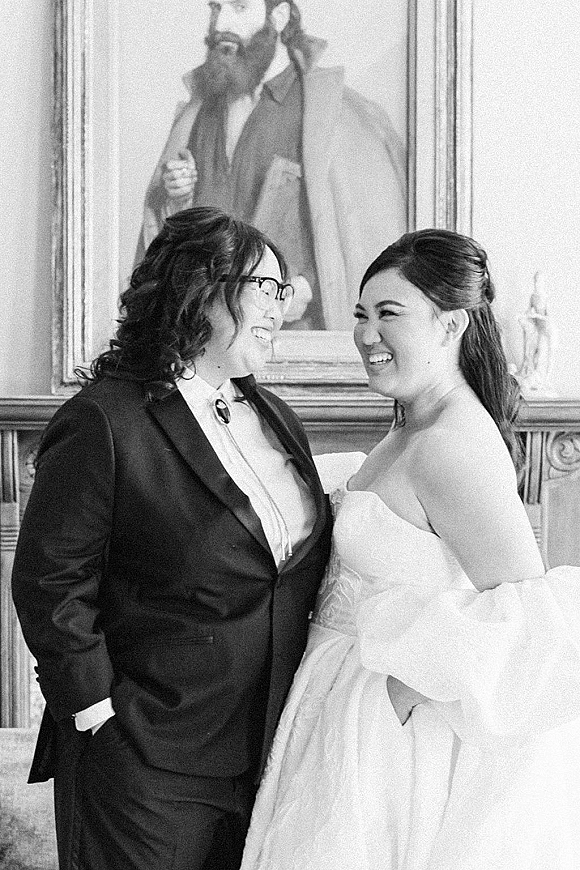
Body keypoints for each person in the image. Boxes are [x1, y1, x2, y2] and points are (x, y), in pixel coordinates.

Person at [241, 229, 580, 870]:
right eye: (361, 316)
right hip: (337, 704)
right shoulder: (410, 425)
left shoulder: (454, 441)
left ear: (451, 323)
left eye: (389, 314)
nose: (368, 335)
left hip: (387, 736)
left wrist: (403, 690)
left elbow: (535, 614)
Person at [11, 207, 332, 870]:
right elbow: (50, 582)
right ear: (200, 290)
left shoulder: (275, 416)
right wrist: (98, 716)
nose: (281, 308)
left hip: (265, 756)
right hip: (146, 764)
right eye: (263, 289)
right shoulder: (105, 418)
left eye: (283, 291)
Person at [136, 0, 406, 330]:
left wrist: (309, 287)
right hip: (206, 335)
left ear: (277, 16)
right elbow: (175, 236)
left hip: (295, 335)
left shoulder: (336, 112)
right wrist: (176, 197)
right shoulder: (198, 112)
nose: (221, 23)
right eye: (216, 7)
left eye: (238, 7)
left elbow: (368, 236)